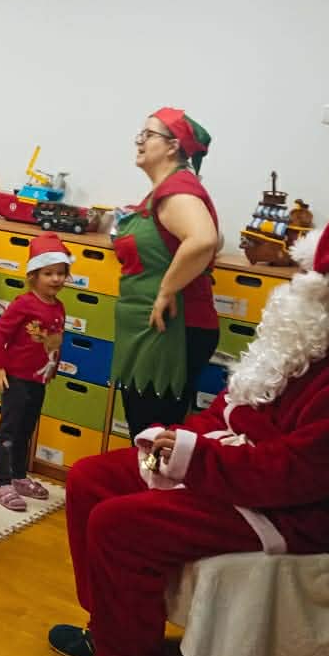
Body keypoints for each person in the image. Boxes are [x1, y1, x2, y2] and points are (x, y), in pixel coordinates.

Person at [49, 215, 329, 656]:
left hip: (292, 510)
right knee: (91, 478)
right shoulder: (311, 335)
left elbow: (299, 474)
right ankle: (111, 631)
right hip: (239, 470)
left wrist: (195, 459)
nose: (295, 287)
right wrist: (177, 438)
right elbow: (231, 407)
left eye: (309, 279)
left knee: (120, 525)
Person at [111, 107, 220, 440]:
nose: (139, 141)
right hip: (151, 329)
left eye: (148, 135)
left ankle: (151, 477)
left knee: (153, 434)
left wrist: (166, 290)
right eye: (140, 135)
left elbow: (204, 239)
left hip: (171, 329)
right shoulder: (164, 191)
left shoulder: (178, 189)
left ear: (173, 146)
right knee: (146, 428)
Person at [0, 233, 69, 511]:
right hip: (17, 378)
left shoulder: (59, 307)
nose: (55, 279)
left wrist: (53, 369)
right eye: (48, 273)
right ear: (33, 275)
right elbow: (0, 333)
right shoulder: (24, 303)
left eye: (60, 273)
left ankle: (19, 476)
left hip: (39, 379)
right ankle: (2, 482)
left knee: (26, 430)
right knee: (10, 430)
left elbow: (55, 342)